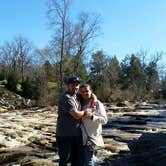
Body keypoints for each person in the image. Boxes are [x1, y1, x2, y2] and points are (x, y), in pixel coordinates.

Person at [56, 76, 94, 166]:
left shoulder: (77, 96)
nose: (75, 86)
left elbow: (90, 94)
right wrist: (86, 111)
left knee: (77, 161)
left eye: (77, 85)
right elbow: (76, 115)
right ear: (68, 86)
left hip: (76, 135)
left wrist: (95, 99)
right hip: (64, 136)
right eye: (72, 84)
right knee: (64, 161)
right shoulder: (66, 97)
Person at [80, 84, 108, 166]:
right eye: (83, 92)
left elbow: (104, 120)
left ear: (91, 92)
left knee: (89, 162)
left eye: (87, 91)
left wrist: (92, 117)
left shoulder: (97, 104)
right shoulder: (80, 103)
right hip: (81, 138)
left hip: (91, 139)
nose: (85, 93)